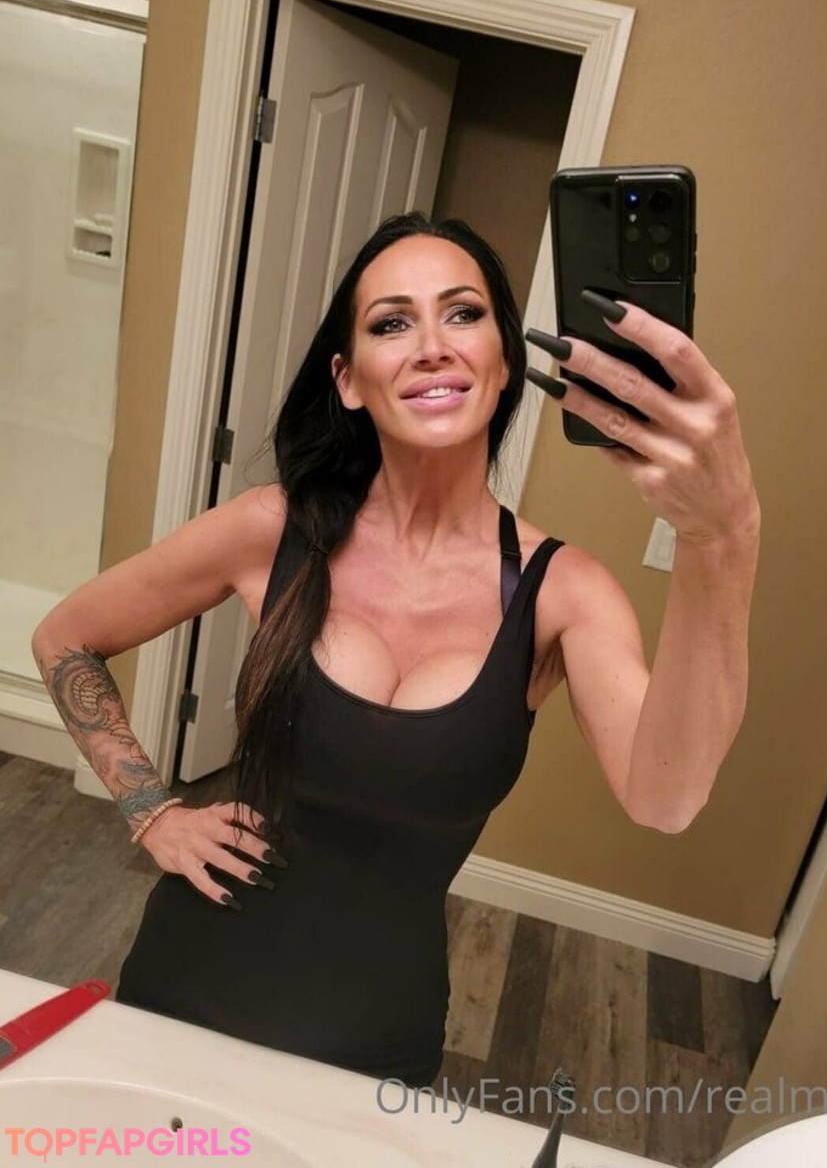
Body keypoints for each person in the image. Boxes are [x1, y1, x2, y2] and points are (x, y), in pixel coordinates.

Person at [31, 211, 760, 1088]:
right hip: (188, 979)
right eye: (391, 323)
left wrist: (723, 536)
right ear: (348, 380)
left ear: (503, 362)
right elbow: (65, 636)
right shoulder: (273, 528)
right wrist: (153, 812)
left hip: (375, 1035)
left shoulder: (563, 592)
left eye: (463, 313)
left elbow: (666, 798)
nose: (431, 346)